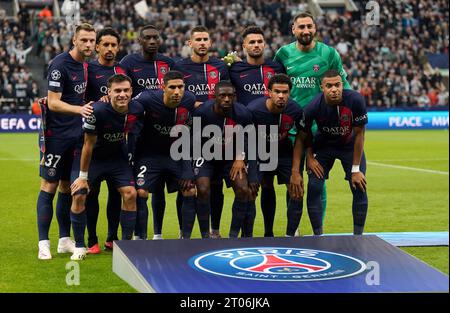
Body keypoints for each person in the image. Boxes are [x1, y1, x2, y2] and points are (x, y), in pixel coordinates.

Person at [274, 12, 351, 227]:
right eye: (301, 27)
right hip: (291, 128)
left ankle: (319, 230)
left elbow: (343, 85)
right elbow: (275, 86)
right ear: (293, 30)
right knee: (294, 179)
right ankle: (294, 229)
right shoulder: (283, 54)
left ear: (315, 28)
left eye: (309, 26)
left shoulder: (329, 54)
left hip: (321, 128)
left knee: (318, 181)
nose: (306, 31)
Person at [37, 23, 95, 260]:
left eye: (92, 40)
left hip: (78, 135)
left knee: (68, 187)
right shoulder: (60, 65)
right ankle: (43, 243)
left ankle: (63, 240)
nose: (89, 44)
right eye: (85, 40)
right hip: (56, 137)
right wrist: (80, 109)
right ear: (74, 40)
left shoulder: (85, 65)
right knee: (48, 186)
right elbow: (53, 103)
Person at [69, 74, 143, 260]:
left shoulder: (137, 108)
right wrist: (83, 177)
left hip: (116, 158)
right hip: (91, 158)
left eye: (126, 90)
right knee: (79, 195)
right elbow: (88, 145)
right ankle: (79, 246)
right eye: (117, 91)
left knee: (131, 194)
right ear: (108, 93)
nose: (122, 94)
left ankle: (125, 246)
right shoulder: (97, 111)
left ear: (132, 92)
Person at [292, 69, 368, 235]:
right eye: (329, 86)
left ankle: (358, 236)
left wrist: (355, 169)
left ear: (342, 85)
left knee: (359, 186)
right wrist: (310, 157)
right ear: (322, 87)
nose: (334, 89)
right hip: (324, 147)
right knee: (314, 186)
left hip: (349, 146)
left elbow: (360, 134)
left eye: (337, 85)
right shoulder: (313, 106)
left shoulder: (355, 100)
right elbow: (302, 136)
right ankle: (318, 235)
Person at [119, 25, 175, 240]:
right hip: (139, 134)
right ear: (139, 41)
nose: (152, 41)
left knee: (160, 187)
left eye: (155, 37)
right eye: (147, 38)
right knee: (140, 190)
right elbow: (121, 89)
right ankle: (137, 235)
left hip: (165, 135)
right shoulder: (128, 63)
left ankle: (158, 233)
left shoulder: (168, 63)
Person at [174, 26, 230, 239]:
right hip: (190, 133)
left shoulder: (221, 67)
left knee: (214, 185)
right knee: (187, 182)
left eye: (206, 39)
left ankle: (214, 230)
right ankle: (184, 231)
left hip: (216, 134)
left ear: (211, 42)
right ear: (190, 43)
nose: (202, 43)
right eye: (198, 39)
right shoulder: (180, 67)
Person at [229, 25, 285, 238]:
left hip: (271, 135)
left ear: (264, 44)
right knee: (249, 188)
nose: (256, 45)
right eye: (251, 42)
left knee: (267, 184)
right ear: (244, 46)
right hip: (245, 137)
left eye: (259, 41)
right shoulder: (235, 69)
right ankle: (245, 236)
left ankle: (269, 232)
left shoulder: (276, 68)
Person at [132, 71, 196, 241]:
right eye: (172, 87)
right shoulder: (147, 99)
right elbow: (126, 107)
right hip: (149, 155)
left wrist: (188, 167)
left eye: (180, 87)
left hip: (175, 155)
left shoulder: (189, 100)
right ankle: (141, 238)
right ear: (163, 87)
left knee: (190, 190)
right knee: (141, 193)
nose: (177, 92)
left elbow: (189, 133)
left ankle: (186, 238)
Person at [190, 81, 255, 238]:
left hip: (231, 157)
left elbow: (249, 139)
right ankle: (205, 236)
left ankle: (233, 237)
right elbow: (192, 139)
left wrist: (240, 158)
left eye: (230, 96)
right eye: (223, 96)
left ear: (235, 97)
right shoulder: (202, 112)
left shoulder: (243, 113)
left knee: (243, 189)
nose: (227, 99)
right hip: (206, 156)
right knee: (203, 189)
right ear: (215, 97)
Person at [247, 73, 306, 237]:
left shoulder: (295, 110)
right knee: (251, 190)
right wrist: (250, 171)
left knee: (298, 190)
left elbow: (301, 138)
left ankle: (290, 236)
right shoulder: (254, 110)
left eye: (285, 92)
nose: (281, 96)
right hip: (259, 152)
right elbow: (245, 139)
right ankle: (257, 235)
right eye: (277, 91)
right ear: (269, 92)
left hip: (283, 152)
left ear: (289, 93)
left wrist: (295, 171)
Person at [84, 28, 127, 253]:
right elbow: (78, 97)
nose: (110, 49)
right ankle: (92, 239)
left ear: (118, 47)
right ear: (97, 46)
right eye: (106, 45)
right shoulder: (88, 69)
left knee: (115, 192)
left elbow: (131, 97)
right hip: (93, 141)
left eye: (113, 45)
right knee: (91, 192)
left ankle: (112, 237)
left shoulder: (123, 70)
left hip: (117, 143)